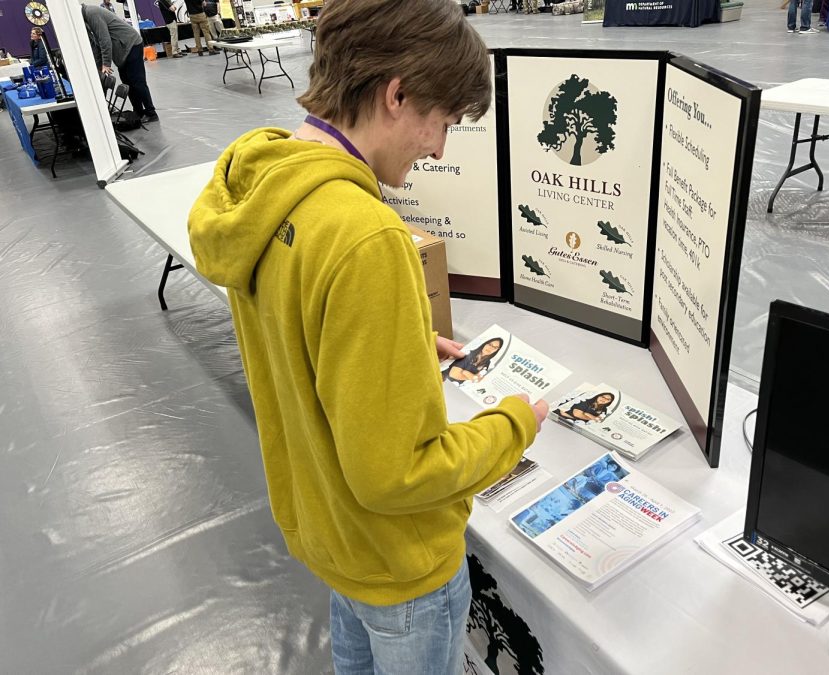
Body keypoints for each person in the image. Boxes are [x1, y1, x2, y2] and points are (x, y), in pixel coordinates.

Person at [187, 1, 548, 672]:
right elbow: (396, 474)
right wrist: (514, 425)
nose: (438, 147)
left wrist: (404, 337)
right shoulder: (365, 235)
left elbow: (297, 341)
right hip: (399, 564)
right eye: (441, 123)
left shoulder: (260, 188)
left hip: (330, 535)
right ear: (397, 94)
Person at [81, 4, 159, 122]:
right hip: (121, 51)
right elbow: (96, 45)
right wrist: (98, 67)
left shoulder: (92, 13)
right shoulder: (85, 19)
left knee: (138, 82)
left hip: (131, 45)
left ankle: (151, 113)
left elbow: (104, 40)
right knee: (127, 83)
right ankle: (138, 112)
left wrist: (106, 64)